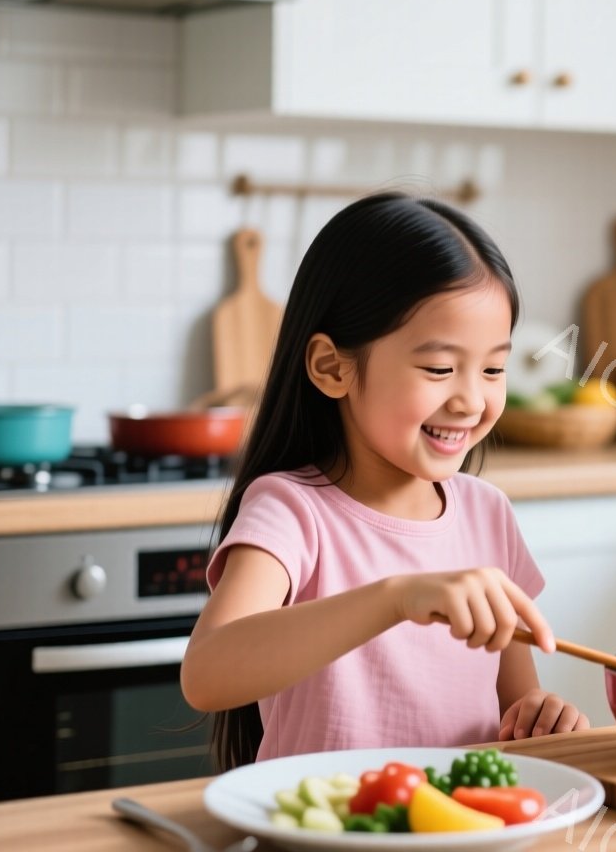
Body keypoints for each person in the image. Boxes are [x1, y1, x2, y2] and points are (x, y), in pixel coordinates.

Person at [183, 192, 591, 771]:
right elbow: (208, 675)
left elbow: (513, 704)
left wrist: (540, 717)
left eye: (494, 369)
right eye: (439, 369)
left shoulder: (487, 513)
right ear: (332, 367)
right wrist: (396, 597)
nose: (472, 399)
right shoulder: (291, 511)